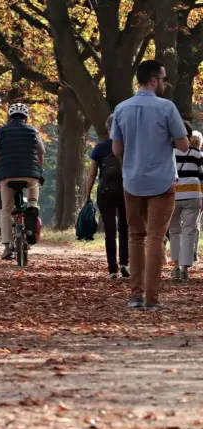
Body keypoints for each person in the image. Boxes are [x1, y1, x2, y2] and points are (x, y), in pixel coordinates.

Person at [111, 59, 189, 310]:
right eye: (164, 79)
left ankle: (135, 295)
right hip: (162, 180)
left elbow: (116, 148)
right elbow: (184, 145)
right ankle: (152, 299)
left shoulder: (121, 109)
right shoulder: (167, 109)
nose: (166, 83)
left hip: (132, 180)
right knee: (155, 237)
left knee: (135, 236)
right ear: (154, 80)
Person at [0, 103, 45, 260]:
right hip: (30, 175)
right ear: (26, 117)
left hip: (7, 176)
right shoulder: (33, 131)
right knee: (33, 195)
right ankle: (32, 210)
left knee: (6, 209)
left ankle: (7, 247)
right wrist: (38, 170)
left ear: (9, 117)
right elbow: (41, 152)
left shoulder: (1, 132)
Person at [85, 114, 129, 279]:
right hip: (126, 191)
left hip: (106, 193)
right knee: (125, 228)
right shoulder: (127, 146)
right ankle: (125, 262)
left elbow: (91, 174)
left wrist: (87, 194)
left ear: (108, 128)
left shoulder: (100, 148)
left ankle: (112, 269)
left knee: (110, 231)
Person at [169, 126, 203, 282]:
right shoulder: (197, 153)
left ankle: (175, 266)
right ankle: (184, 269)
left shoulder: (169, 153)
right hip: (193, 195)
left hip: (173, 197)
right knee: (188, 232)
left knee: (174, 231)